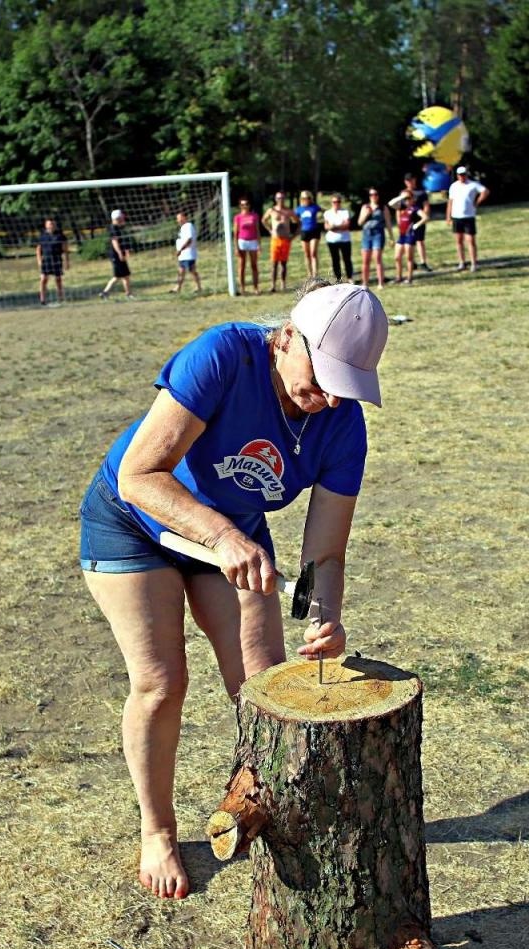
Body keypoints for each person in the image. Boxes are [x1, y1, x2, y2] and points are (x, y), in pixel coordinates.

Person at [78, 279, 388, 900]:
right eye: (322, 375)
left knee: (263, 686)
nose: (328, 397)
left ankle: (264, 811)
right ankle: (158, 830)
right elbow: (142, 475)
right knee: (161, 682)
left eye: (344, 385)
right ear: (287, 338)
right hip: (135, 523)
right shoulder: (222, 356)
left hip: (231, 536)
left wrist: (325, 615)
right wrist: (219, 536)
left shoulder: (341, 425)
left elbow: (325, 553)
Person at [446, 166, 488, 272]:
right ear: (457, 176)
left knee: (470, 240)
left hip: (468, 216)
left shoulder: (472, 185)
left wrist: (477, 202)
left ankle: (474, 263)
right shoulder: (453, 186)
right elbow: (450, 202)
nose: (462, 177)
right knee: (459, 241)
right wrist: (448, 216)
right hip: (456, 216)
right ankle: (462, 262)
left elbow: (485, 191)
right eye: (460, 175)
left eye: (464, 174)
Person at [389, 184, 424, 285]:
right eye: (406, 199)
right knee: (397, 257)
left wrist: (417, 224)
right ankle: (398, 277)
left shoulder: (415, 208)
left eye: (409, 198)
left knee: (409, 257)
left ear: (413, 199)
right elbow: (391, 203)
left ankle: (409, 278)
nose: (407, 200)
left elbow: (425, 217)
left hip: (410, 235)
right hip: (402, 235)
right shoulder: (401, 207)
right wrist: (402, 197)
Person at [356, 188, 389, 290]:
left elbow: (388, 223)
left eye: (375, 194)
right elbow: (359, 222)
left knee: (377, 258)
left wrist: (391, 237)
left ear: (378, 196)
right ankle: (365, 283)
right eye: (371, 195)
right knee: (365, 260)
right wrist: (366, 214)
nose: (373, 196)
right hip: (367, 234)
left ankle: (381, 283)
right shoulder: (365, 207)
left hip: (378, 234)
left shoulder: (383, 207)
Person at [264, 192, 296, 293]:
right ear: (275, 199)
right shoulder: (272, 210)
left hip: (286, 239)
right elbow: (264, 220)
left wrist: (293, 235)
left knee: (284, 263)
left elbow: (298, 222)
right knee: (274, 263)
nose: (280, 200)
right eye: (278, 198)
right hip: (275, 239)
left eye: (282, 198)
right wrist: (270, 230)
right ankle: (273, 285)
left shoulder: (288, 211)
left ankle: (283, 284)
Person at [36, 217, 70, 306]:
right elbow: (38, 249)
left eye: (53, 224)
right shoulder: (42, 236)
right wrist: (39, 260)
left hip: (57, 259)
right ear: (46, 225)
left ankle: (60, 298)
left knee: (58, 279)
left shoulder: (60, 235)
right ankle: (42, 299)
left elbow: (65, 249)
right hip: (46, 260)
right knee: (43, 279)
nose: (51, 225)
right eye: (49, 224)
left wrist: (67, 261)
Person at [100, 208, 133, 300]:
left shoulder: (119, 228)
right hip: (116, 255)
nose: (123, 219)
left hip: (118, 254)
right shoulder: (113, 228)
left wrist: (126, 250)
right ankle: (127, 294)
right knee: (122, 275)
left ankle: (105, 293)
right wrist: (120, 253)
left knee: (121, 276)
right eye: (121, 218)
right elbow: (115, 242)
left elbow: (123, 241)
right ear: (117, 218)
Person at [233, 197, 261, 295]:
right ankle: (242, 288)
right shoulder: (238, 217)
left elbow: (257, 230)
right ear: (240, 206)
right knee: (242, 266)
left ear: (249, 205)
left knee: (254, 265)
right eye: (242, 204)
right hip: (242, 242)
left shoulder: (254, 216)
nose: (245, 206)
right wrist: (236, 247)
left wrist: (259, 244)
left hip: (253, 241)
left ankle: (256, 287)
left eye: (246, 204)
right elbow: (236, 233)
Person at [322, 194, 354, 280]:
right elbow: (326, 226)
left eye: (338, 202)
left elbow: (347, 225)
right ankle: (338, 279)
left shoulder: (345, 212)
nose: (336, 203)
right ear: (331, 203)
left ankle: (350, 277)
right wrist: (339, 226)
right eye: (334, 202)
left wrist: (334, 227)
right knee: (335, 260)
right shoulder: (327, 213)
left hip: (345, 239)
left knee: (347, 259)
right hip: (332, 240)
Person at [171, 210, 201, 294]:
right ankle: (177, 288)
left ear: (184, 217)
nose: (178, 220)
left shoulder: (188, 226)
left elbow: (189, 240)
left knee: (192, 271)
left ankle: (198, 287)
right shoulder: (183, 227)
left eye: (179, 218)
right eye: (177, 218)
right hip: (183, 255)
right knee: (181, 271)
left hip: (189, 254)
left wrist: (181, 250)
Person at [295, 191, 323, 278]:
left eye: (308, 198)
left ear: (311, 199)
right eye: (304, 198)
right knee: (307, 255)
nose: (306, 200)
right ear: (301, 199)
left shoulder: (315, 207)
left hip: (314, 231)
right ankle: (309, 274)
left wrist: (321, 218)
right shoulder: (299, 209)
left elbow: (324, 212)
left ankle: (315, 274)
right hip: (304, 232)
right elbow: (293, 218)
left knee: (313, 253)